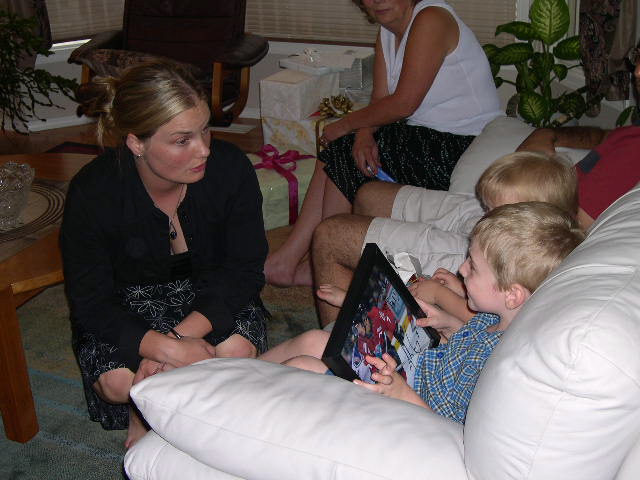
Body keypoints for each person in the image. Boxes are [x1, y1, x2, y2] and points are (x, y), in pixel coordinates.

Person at [312, 43, 640, 327]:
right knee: (369, 194)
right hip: (508, 208)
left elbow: (559, 245)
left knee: (330, 236)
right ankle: (379, 308)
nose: (636, 72)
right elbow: (605, 136)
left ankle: (342, 359)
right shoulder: (633, 135)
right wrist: (549, 134)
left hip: (516, 242)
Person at [60, 60, 269, 448]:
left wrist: (176, 340)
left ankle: (154, 409)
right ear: (136, 143)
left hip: (211, 291)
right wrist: (165, 349)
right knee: (118, 382)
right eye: (182, 140)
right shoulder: (93, 192)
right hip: (127, 301)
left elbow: (244, 270)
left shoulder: (230, 168)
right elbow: (91, 301)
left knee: (234, 352)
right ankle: (149, 408)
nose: (204, 149)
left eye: (205, 129)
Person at [261, 202, 585, 424]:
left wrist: (399, 392)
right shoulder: (497, 320)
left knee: (304, 366)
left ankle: (243, 404)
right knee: (315, 340)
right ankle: (237, 372)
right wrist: (450, 325)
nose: (462, 268)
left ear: (512, 294)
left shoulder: (499, 367)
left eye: (473, 266)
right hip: (411, 370)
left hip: (405, 403)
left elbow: (449, 429)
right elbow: (468, 344)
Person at [264, 0, 502, 287]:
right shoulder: (387, 32)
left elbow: (404, 103)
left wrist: (345, 125)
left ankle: (329, 260)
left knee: (343, 150)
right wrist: (364, 133)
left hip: (464, 148)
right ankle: (298, 259)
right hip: (428, 138)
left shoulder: (432, 18)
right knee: (345, 150)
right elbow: (380, 100)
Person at [313, 150, 580, 326]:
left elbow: (489, 324)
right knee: (369, 194)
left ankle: (336, 351)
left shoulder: (525, 272)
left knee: (330, 234)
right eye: (488, 209)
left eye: (495, 212)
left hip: (455, 308)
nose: (485, 217)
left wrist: (441, 294)